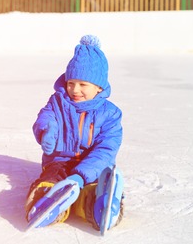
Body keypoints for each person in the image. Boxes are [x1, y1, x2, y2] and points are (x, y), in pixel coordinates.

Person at [25, 35, 124, 230]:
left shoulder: (110, 114)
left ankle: (99, 206)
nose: (75, 90)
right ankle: (48, 202)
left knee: (93, 184)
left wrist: (81, 175)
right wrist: (47, 130)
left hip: (93, 166)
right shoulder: (57, 102)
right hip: (59, 161)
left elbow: (106, 149)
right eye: (70, 83)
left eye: (83, 84)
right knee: (51, 179)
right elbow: (46, 117)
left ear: (99, 87)